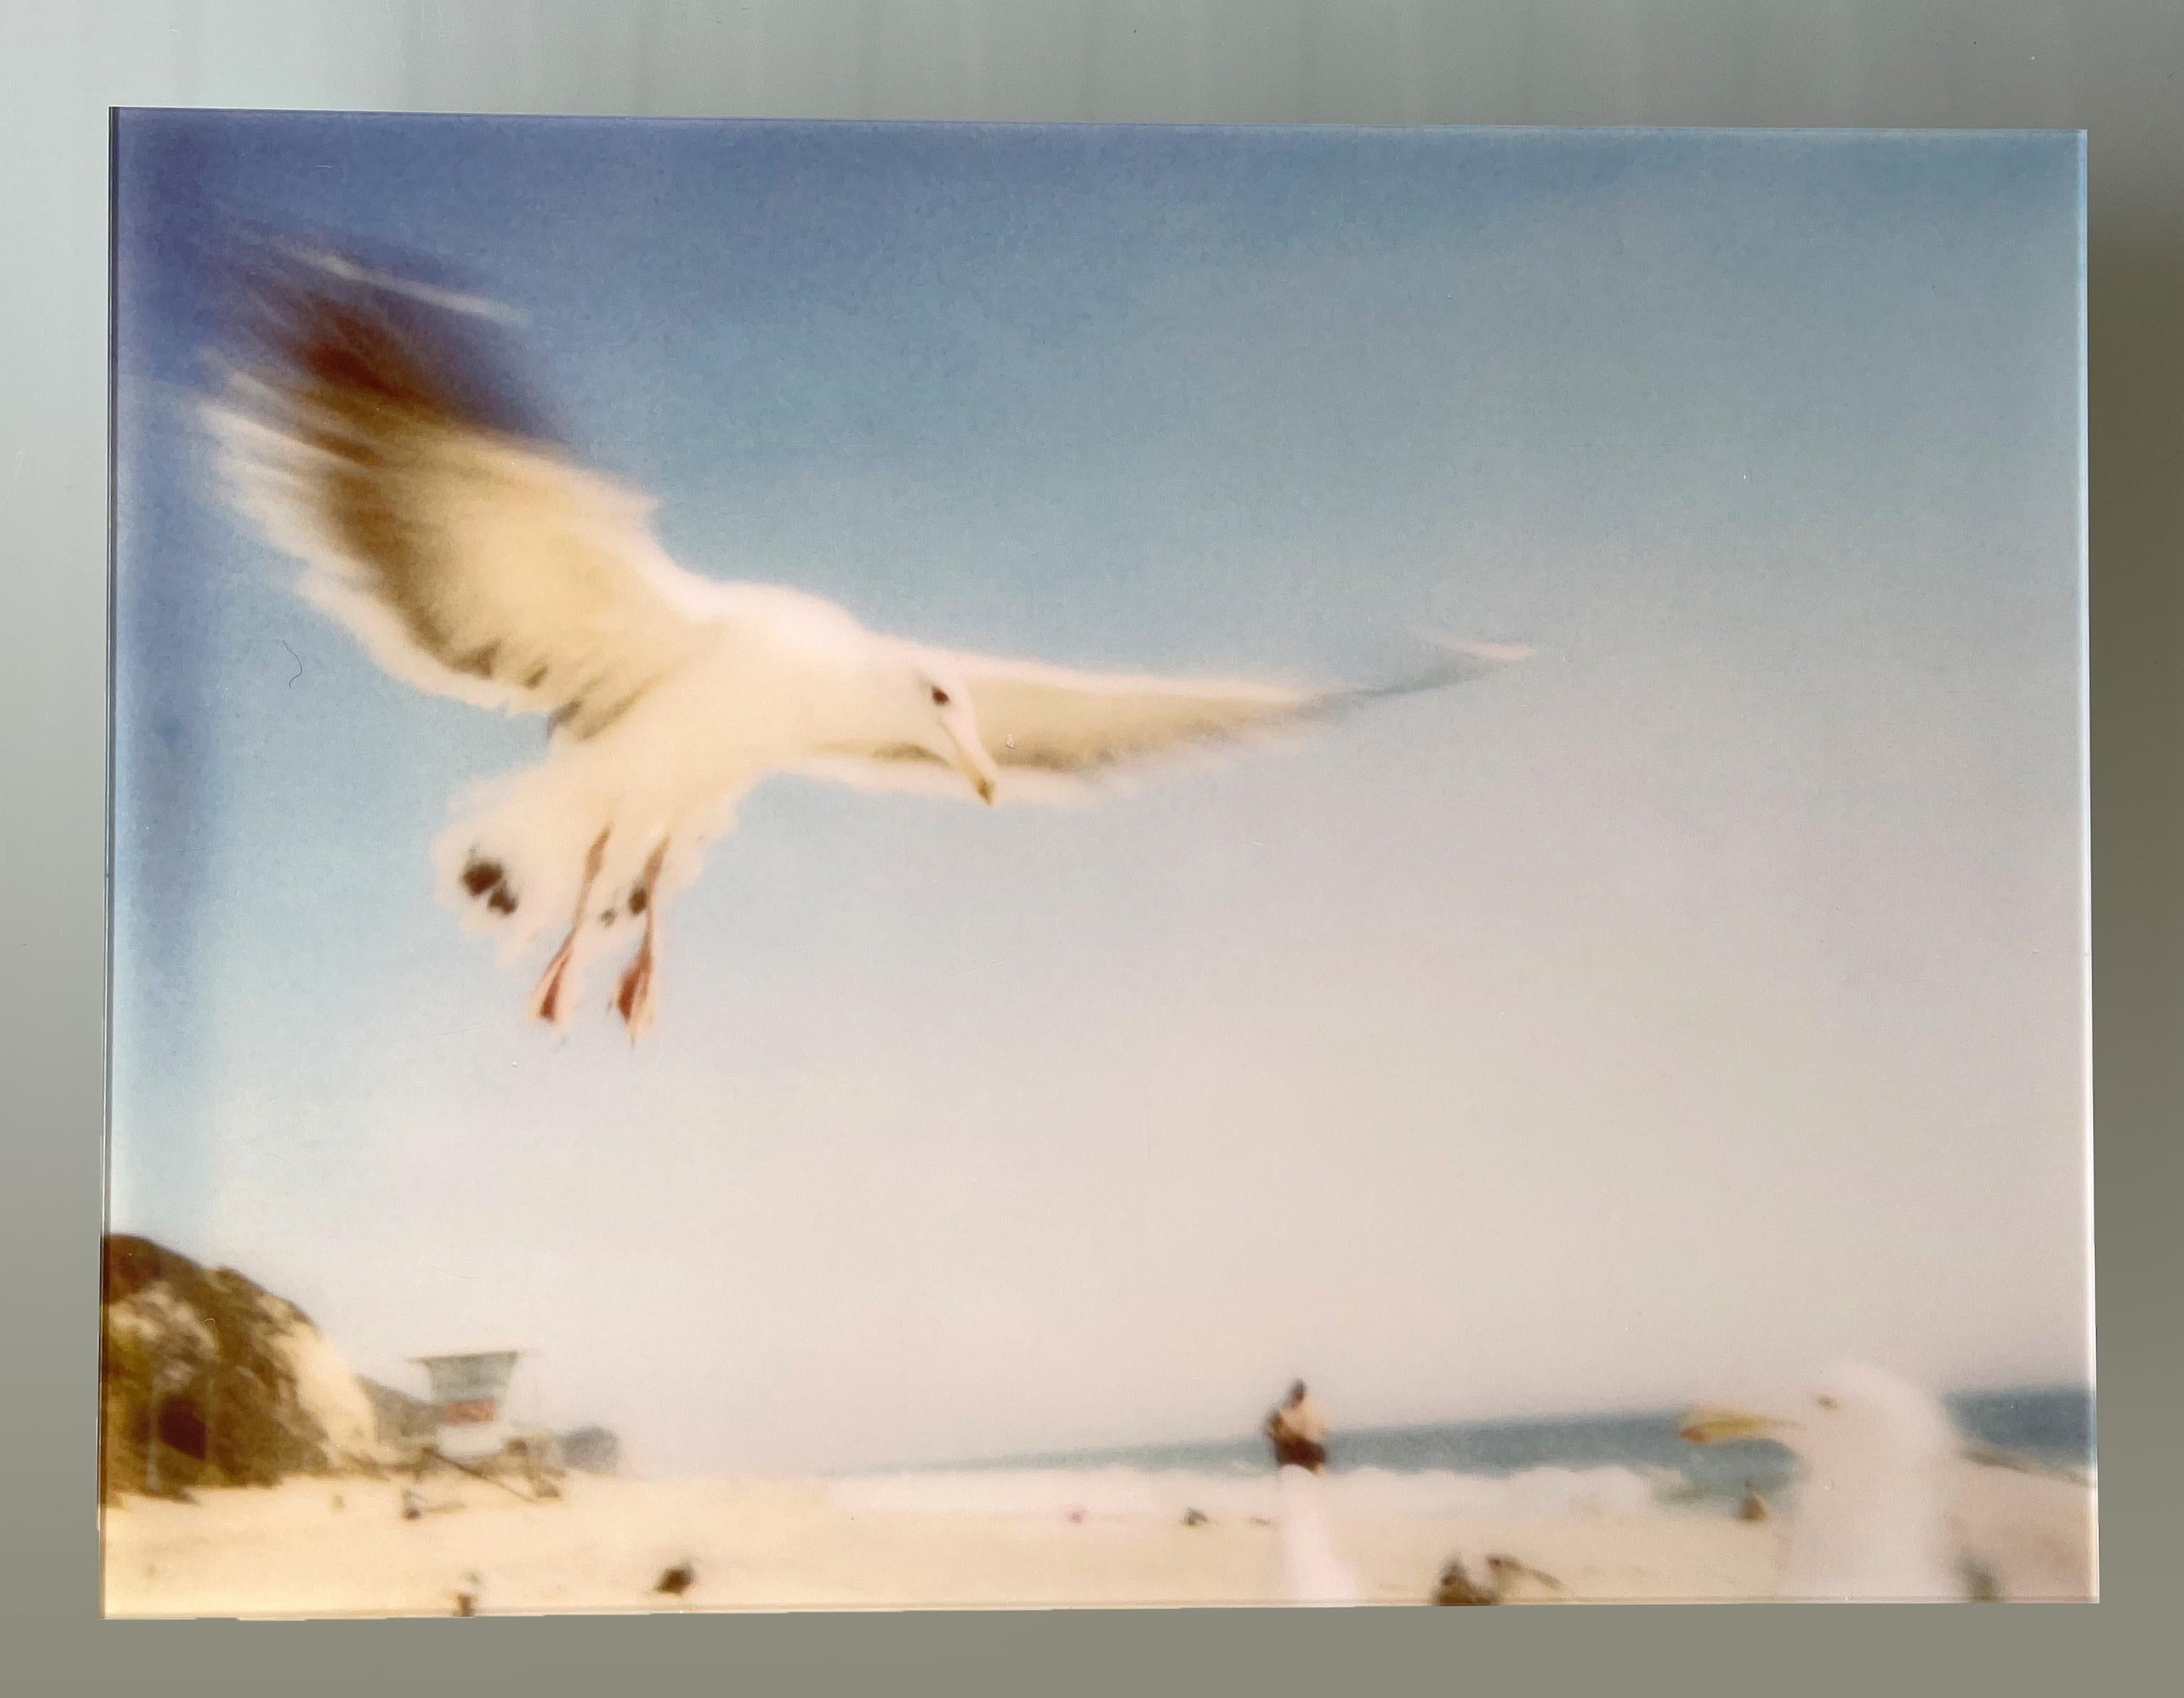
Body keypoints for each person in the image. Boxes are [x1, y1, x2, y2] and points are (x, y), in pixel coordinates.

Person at [1264, 1380, 1330, 1472]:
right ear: (1294, 1395)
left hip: (1305, 1451)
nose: (1299, 1398)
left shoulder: (1309, 1410)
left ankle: (1317, 1477)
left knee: (1319, 1451)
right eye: (1298, 1395)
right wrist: (1283, 1437)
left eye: (1301, 1396)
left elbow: (1322, 1431)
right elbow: (1269, 1429)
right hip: (1290, 1451)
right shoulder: (1284, 1411)